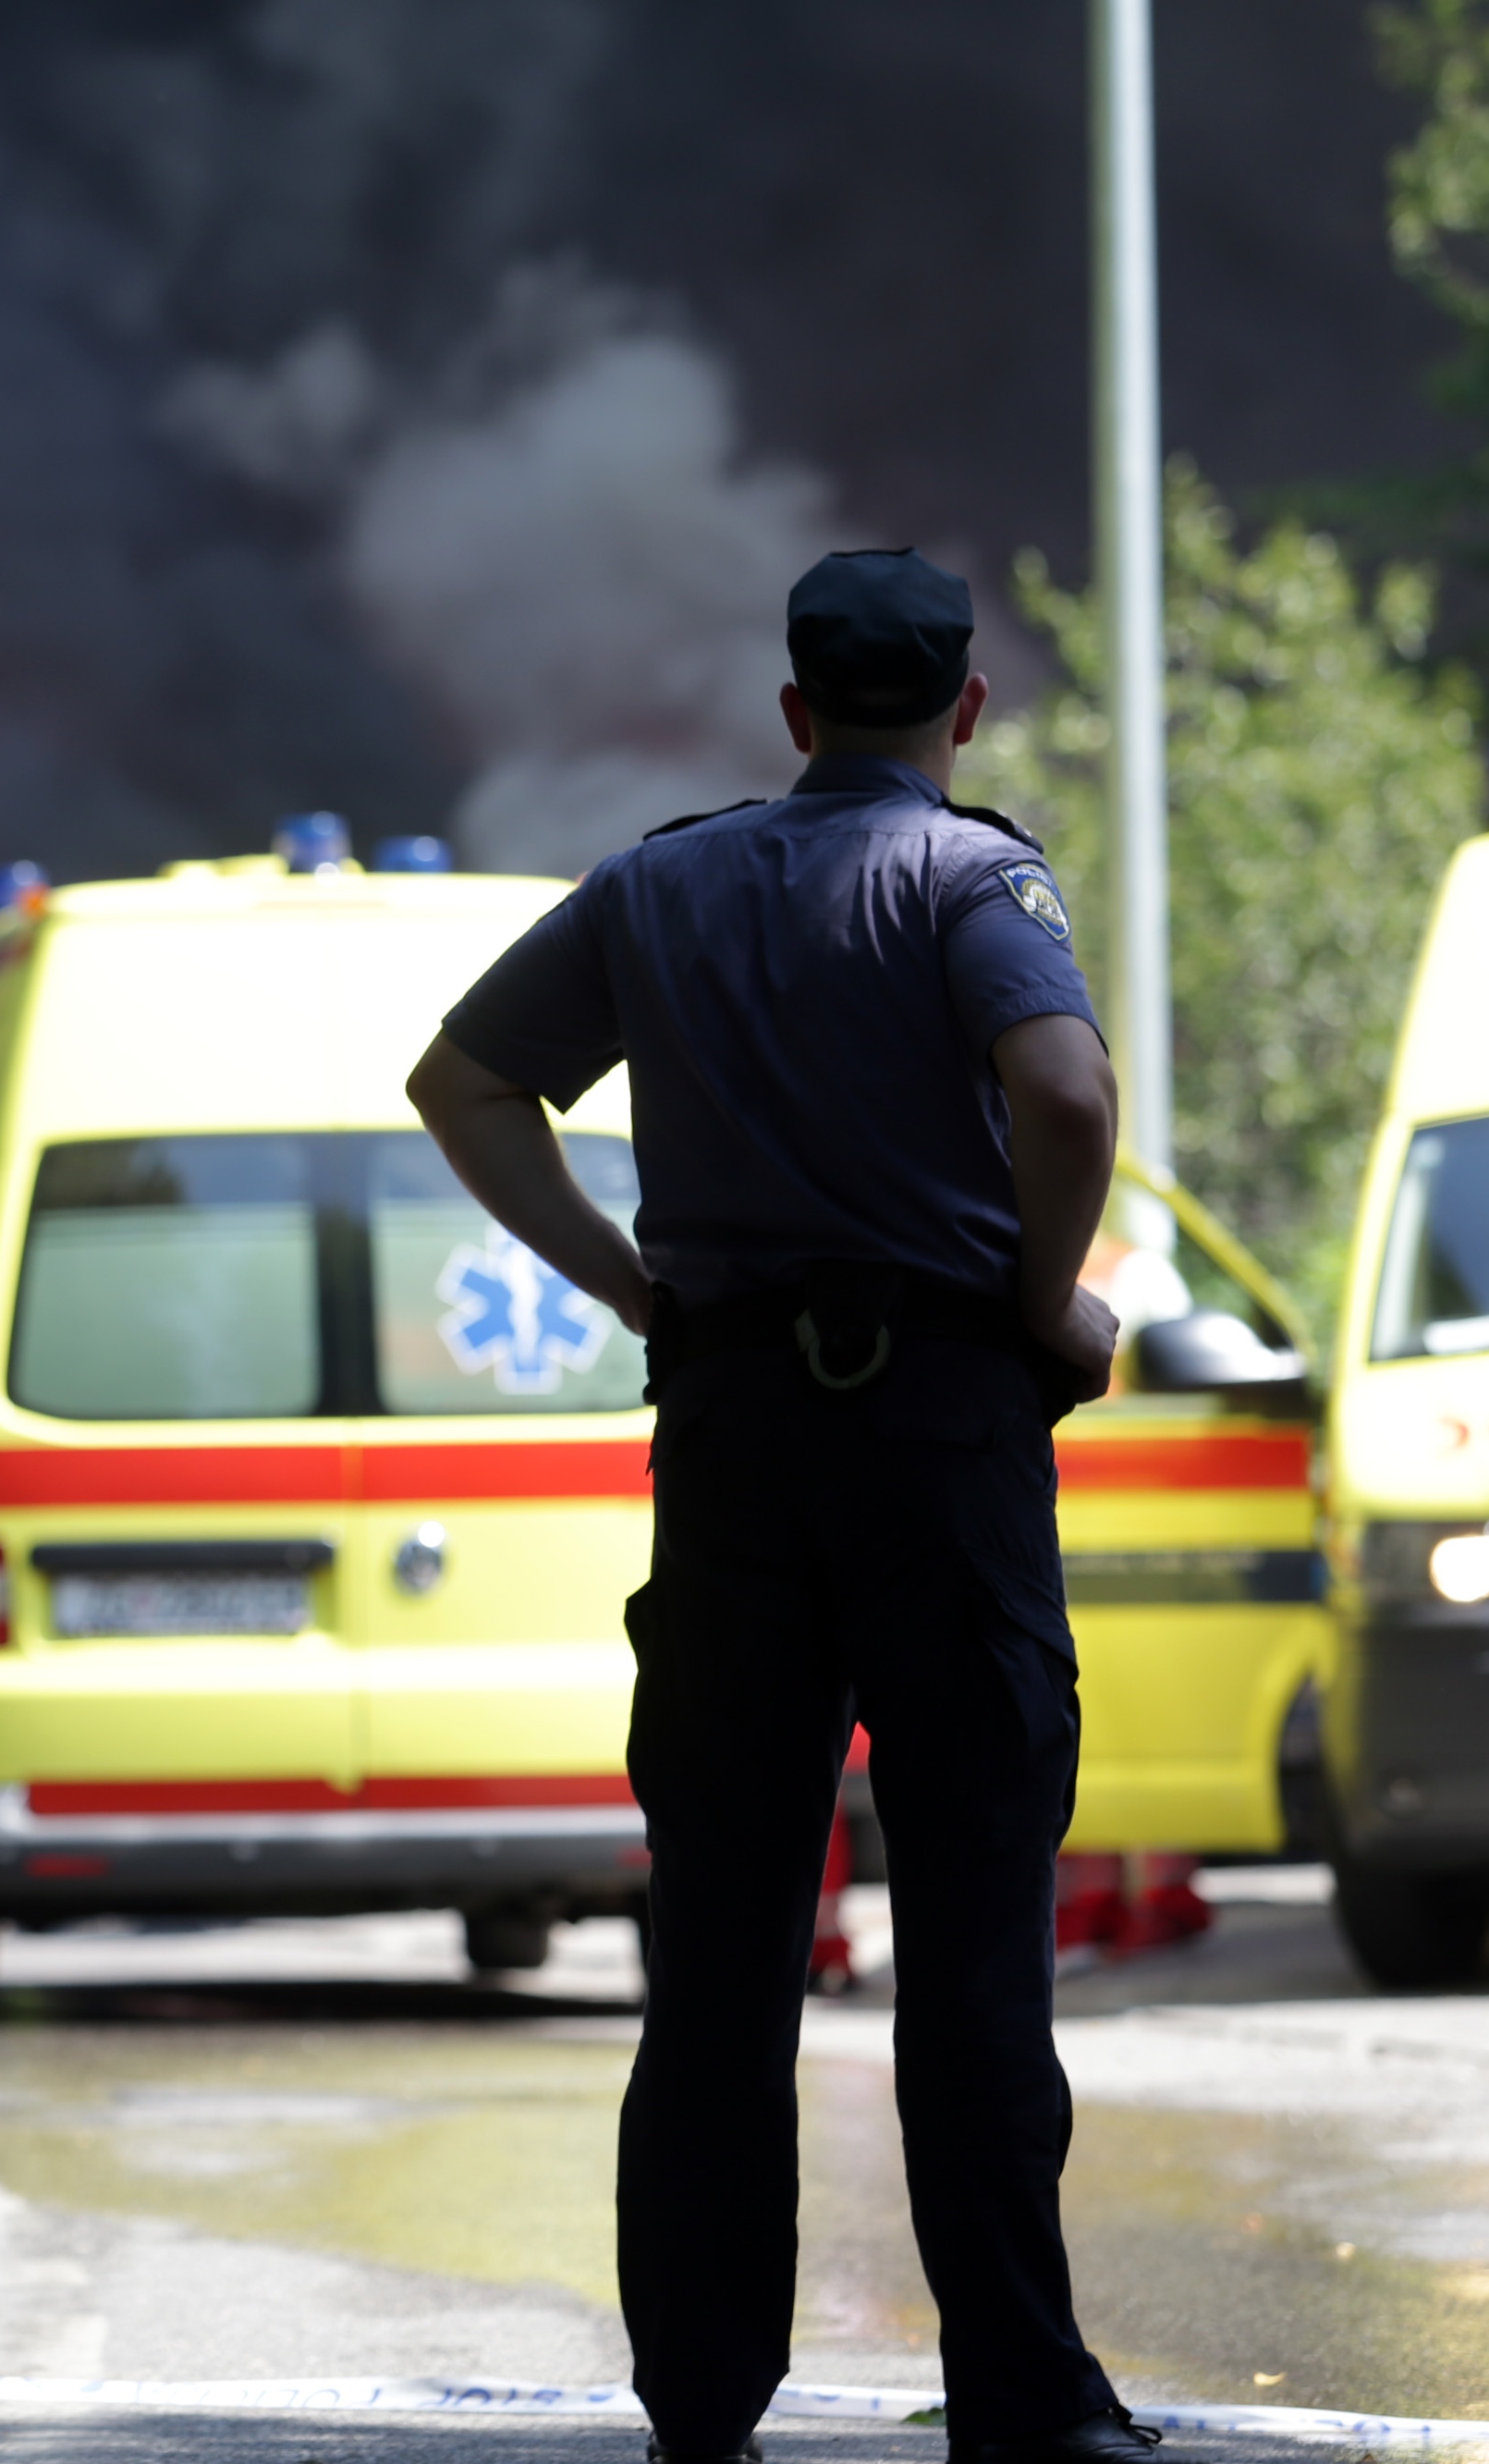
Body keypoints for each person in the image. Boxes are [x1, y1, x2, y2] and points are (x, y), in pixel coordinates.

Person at [403, 549, 1153, 2464]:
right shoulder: (968, 877)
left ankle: (700, 2406)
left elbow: (463, 1085)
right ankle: (1016, 2396)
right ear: (961, 711)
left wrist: (639, 1289)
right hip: (938, 1442)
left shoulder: (657, 883)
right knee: (970, 1929)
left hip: (729, 1447)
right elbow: (1060, 1097)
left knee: (720, 1948)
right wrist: (1033, 1298)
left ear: (795, 710)